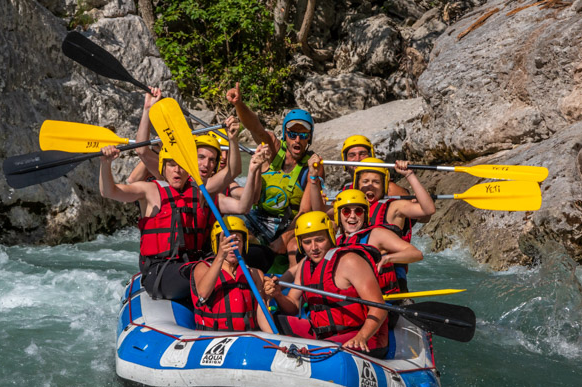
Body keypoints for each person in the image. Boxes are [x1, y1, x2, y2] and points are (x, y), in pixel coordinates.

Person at [97, 142, 270, 301]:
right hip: (160, 270)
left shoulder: (200, 193)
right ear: (163, 168)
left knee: (246, 264)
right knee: (207, 271)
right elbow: (109, 191)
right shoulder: (148, 190)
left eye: (182, 166)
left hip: (193, 262)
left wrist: (252, 167)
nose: (177, 171)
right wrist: (105, 163)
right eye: (172, 165)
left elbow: (242, 204)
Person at [262, 211, 389, 358]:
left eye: (319, 240)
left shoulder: (350, 261)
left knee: (317, 352)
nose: (313, 247)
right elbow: (292, 307)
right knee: (275, 320)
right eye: (307, 242)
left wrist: (362, 337)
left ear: (329, 237)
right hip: (322, 335)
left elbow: (379, 308)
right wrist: (277, 294)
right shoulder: (304, 265)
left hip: (361, 336)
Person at [226, 82, 322, 262]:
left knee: (266, 253)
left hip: (284, 227)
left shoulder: (312, 165)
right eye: (292, 133)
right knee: (229, 233)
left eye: (303, 135)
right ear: (285, 134)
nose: (297, 139)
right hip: (256, 219)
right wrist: (239, 104)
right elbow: (255, 127)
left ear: (309, 138)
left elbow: (304, 211)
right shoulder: (273, 148)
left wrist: (284, 239)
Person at [135, 88, 243, 196]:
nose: (205, 164)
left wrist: (233, 139)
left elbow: (234, 171)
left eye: (211, 160)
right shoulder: (167, 175)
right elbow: (142, 151)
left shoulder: (204, 186)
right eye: (201, 157)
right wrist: (147, 109)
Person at [333, 189, 422, 295]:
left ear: (365, 215)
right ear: (338, 215)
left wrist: (387, 258)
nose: (352, 216)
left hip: (384, 302)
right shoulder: (336, 241)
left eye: (358, 211)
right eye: (346, 211)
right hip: (355, 303)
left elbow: (416, 254)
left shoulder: (377, 234)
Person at [190, 217, 269, 332]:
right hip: (213, 340)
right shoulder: (202, 268)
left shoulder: (255, 274)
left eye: (237, 241)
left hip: (247, 338)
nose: (232, 246)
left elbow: (262, 315)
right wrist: (220, 256)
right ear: (217, 243)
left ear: (244, 244)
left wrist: (274, 337)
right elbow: (203, 293)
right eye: (226, 241)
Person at [352, 157, 436, 242]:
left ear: (383, 186)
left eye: (376, 182)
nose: (370, 186)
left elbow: (428, 210)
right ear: (357, 185)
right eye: (365, 181)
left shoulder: (395, 207)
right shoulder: (349, 210)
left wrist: (409, 175)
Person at [339, 135, 409, 196]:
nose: (357, 159)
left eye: (362, 154)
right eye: (352, 155)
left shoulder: (389, 188)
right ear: (345, 160)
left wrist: (409, 175)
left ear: (371, 156)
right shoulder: (347, 189)